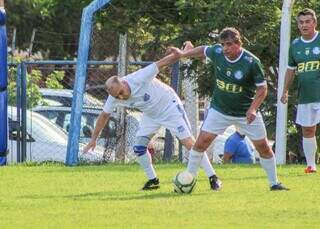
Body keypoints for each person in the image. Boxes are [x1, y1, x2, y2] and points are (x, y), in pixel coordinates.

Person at [168, 27, 288, 191]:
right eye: (223, 44)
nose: (225, 48)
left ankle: (274, 183)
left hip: (245, 113)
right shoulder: (218, 52)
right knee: (201, 143)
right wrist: (183, 54)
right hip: (220, 110)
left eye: (229, 44)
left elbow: (262, 89)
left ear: (239, 43)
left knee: (263, 148)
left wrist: (253, 109)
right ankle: (188, 180)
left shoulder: (251, 62)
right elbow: (204, 50)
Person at [84, 51, 221, 191]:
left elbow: (162, 63)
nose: (120, 97)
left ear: (124, 83)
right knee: (139, 148)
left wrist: (181, 54)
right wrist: (94, 139)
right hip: (151, 115)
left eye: (121, 92)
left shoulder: (140, 77)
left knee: (190, 144)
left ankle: (213, 177)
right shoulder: (114, 97)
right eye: (116, 96)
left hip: (169, 106)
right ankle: (153, 180)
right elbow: (104, 116)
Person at [280, 8, 319, 173]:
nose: (304, 25)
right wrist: (285, 90)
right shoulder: (295, 45)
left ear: (314, 23)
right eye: (301, 22)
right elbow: (290, 69)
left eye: (308, 21)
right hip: (306, 95)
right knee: (308, 129)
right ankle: (311, 165)